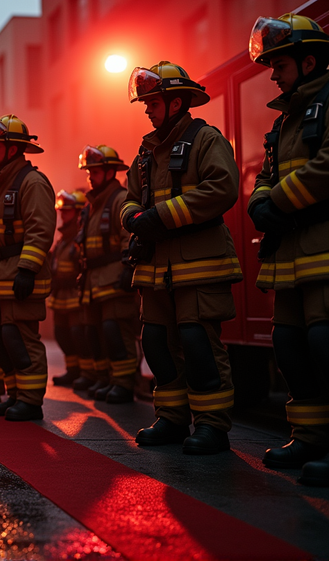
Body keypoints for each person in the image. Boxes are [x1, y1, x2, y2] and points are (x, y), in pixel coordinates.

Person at [123, 61, 241, 454]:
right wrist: (136, 219)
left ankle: (211, 426)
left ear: (175, 103)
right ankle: (172, 418)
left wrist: (161, 216)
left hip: (198, 262)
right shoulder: (145, 151)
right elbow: (129, 201)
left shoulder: (206, 139)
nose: (146, 109)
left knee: (197, 342)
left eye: (152, 102)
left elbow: (222, 188)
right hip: (156, 267)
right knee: (155, 342)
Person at [248, 14, 329, 484]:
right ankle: (310, 438)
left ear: (310, 60)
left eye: (279, 64)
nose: (273, 74)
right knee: (290, 345)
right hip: (291, 257)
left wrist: (274, 202)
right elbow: (264, 173)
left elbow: (326, 166)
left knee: (325, 343)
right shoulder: (285, 120)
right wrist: (261, 203)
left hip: (322, 249)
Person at [0, 114, 55, 421]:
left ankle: (30, 400)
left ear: (13, 149)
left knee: (19, 339)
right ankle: (15, 393)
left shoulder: (32, 183)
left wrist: (27, 269)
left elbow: (40, 230)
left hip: (17, 274)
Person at [76, 145, 140, 404]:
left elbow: (130, 236)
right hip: (94, 281)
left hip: (114, 277)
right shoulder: (93, 204)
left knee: (115, 330)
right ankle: (105, 379)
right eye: (88, 171)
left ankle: (123, 383)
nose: (90, 175)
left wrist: (128, 268)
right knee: (95, 332)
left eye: (96, 171)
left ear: (111, 171)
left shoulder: (119, 198)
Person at [48, 190, 86, 389]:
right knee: (61, 334)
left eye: (67, 212)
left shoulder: (79, 238)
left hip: (75, 295)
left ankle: (86, 373)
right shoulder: (63, 239)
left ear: (79, 213)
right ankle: (72, 370)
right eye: (62, 212)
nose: (63, 215)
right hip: (60, 296)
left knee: (79, 335)